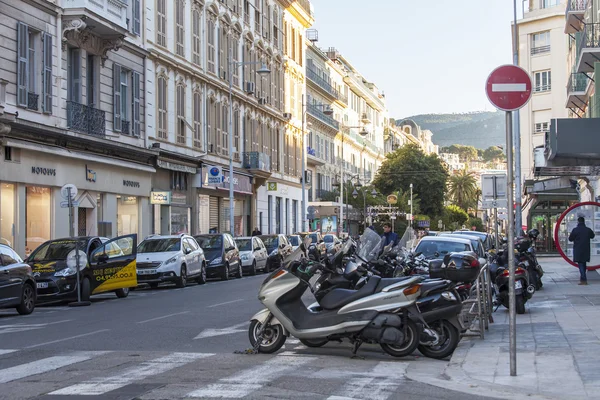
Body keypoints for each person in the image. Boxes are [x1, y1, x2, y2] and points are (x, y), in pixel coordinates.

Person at [569, 216, 595, 285]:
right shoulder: (588, 229)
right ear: (584, 222)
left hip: (578, 249)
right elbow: (592, 236)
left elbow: (570, 239)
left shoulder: (575, 230)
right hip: (586, 249)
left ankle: (584, 279)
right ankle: (582, 279)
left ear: (578, 222)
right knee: (583, 264)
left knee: (580, 264)